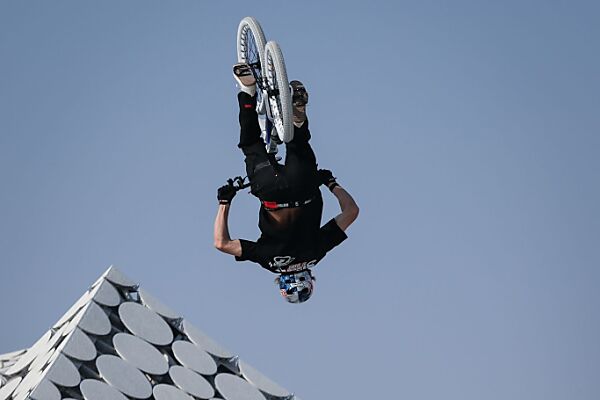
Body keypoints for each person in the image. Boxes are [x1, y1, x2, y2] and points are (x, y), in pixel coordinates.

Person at [213, 63, 359, 304]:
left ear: (309, 277)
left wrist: (331, 183)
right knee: (250, 144)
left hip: (305, 186)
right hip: (270, 190)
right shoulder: (269, 261)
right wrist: (224, 201)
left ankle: (298, 118)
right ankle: (247, 90)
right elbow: (222, 243)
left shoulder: (316, 253)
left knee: (299, 144)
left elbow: (352, 212)